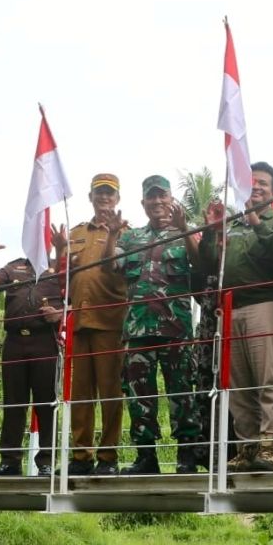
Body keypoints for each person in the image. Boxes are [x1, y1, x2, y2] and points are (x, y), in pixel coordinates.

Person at [106, 175, 204, 475]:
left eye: (162, 196)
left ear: (171, 199)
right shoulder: (131, 238)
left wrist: (185, 230)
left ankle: (186, 456)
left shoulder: (188, 232)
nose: (157, 201)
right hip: (138, 330)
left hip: (176, 329)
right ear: (143, 202)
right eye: (151, 196)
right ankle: (145, 457)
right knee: (139, 396)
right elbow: (111, 265)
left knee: (181, 393)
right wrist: (112, 235)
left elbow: (201, 264)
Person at [201, 162, 273, 472]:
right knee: (238, 385)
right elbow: (210, 265)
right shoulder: (232, 225)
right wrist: (213, 231)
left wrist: (255, 220)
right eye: (251, 182)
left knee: (270, 378)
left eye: (263, 183)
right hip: (231, 308)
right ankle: (248, 447)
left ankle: (271, 447)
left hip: (265, 304)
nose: (256, 187)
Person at [0, 228, 64, 477]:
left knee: (46, 403)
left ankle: (46, 462)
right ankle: (10, 462)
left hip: (45, 341)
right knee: (13, 403)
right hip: (15, 342)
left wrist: (60, 314)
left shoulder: (59, 268)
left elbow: (75, 298)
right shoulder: (14, 267)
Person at [57, 175, 128, 476]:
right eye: (99, 193)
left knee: (111, 392)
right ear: (90, 197)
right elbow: (61, 274)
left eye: (109, 193)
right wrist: (60, 251)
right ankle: (81, 456)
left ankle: (108, 456)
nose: (104, 198)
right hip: (79, 321)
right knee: (81, 394)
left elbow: (120, 270)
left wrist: (113, 234)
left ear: (117, 199)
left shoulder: (127, 233)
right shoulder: (75, 233)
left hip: (110, 322)